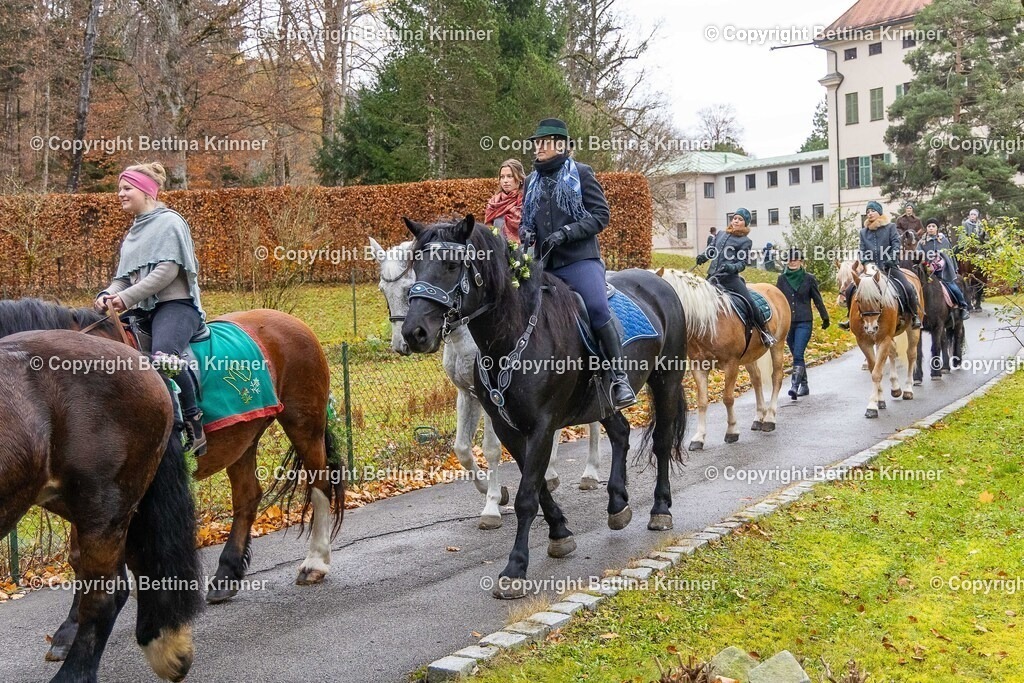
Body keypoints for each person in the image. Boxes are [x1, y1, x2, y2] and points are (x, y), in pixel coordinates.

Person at [519, 117, 635, 410]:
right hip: (544, 264)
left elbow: (601, 215)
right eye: (536, 143)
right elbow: (525, 220)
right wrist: (526, 232)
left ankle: (619, 378)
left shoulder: (581, 173)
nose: (537, 148)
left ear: (560, 145)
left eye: (543, 143)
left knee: (596, 308)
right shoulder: (531, 181)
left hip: (580, 260)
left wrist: (567, 232)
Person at [95, 162, 208, 455]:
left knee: (164, 357)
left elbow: (168, 270)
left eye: (126, 188)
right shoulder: (134, 232)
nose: (120, 193)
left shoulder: (170, 222)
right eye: (119, 188)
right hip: (143, 310)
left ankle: (194, 425)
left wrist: (127, 298)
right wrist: (108, 294)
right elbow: (122, 277)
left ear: (146, 191)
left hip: (176, 306)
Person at [696, 208, 777, 346]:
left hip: (730, 279)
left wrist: (731, 267)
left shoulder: (745, 241)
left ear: (745, 224)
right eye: (735, 218)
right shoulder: (721, 234)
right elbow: (712, 250)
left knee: (750, 302)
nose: (736, 221)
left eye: (740, 220)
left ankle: (765, 332)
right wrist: (703, 256)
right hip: (712, 276)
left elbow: (742, 264)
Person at [839, 201, 922, 330]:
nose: (869, 213)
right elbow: (862, 250)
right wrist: (866, 262)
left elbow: (896, 245)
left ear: (879, 212)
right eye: (867, 212)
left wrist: (891, 259)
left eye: (872, 211)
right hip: (870, 269)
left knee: (908, 287)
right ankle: (849, 319)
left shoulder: (890, 227)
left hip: (889, 267)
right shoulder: (863, 232)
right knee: (850, 289)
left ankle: (914, 315)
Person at [776, 249, 829, 399]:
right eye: (790, 259)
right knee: (796, 354)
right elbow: (777, 300)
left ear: (801, 261)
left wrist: (825, 317)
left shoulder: (809, 278)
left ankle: (794, 386)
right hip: (787, 324)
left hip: (804, 321)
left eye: (796, 259)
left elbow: (817, 299)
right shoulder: (782, 279)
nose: (792, 261)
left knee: (798, 353)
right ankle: (804, 385)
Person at [918, 218, 971, 319]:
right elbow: (918, 255)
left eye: (933, 226)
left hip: (943, 272)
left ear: (937, 228)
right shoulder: (922, 242)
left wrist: (945, 263)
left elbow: (949, 255)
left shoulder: (944, 241)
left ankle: (963, 306)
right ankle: (916, 313)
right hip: (928, 273)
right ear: (926, 228)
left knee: (952, 286)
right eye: (929, 226)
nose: (931, 228)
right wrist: (925, 263)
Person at [485, 159, 525, 243]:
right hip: (497, 250)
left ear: (520, 178)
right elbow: (488, 230)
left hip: (524, 251)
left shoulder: (526, 200)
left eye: (510, 176)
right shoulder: (494, 203)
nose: (505, 181)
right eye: (502, 177)